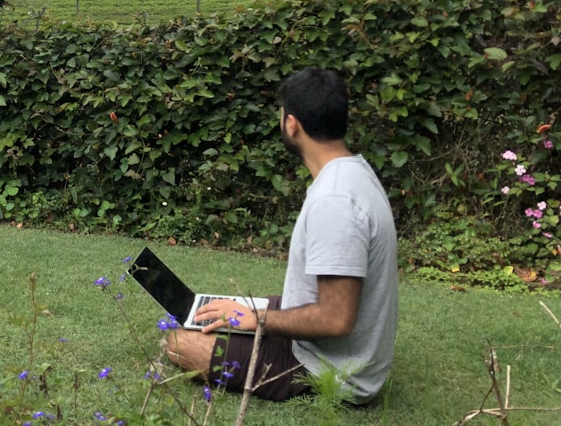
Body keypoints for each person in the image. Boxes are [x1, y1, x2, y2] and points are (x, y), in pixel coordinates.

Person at [164, 67, 398, 404]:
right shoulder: (353, 172)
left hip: (329, 370)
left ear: (292, 124)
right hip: (330, 349)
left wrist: (258, 319)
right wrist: (248, 315)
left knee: (177, 342)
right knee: (218, 312)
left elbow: (336, 318)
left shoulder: (335, 200)